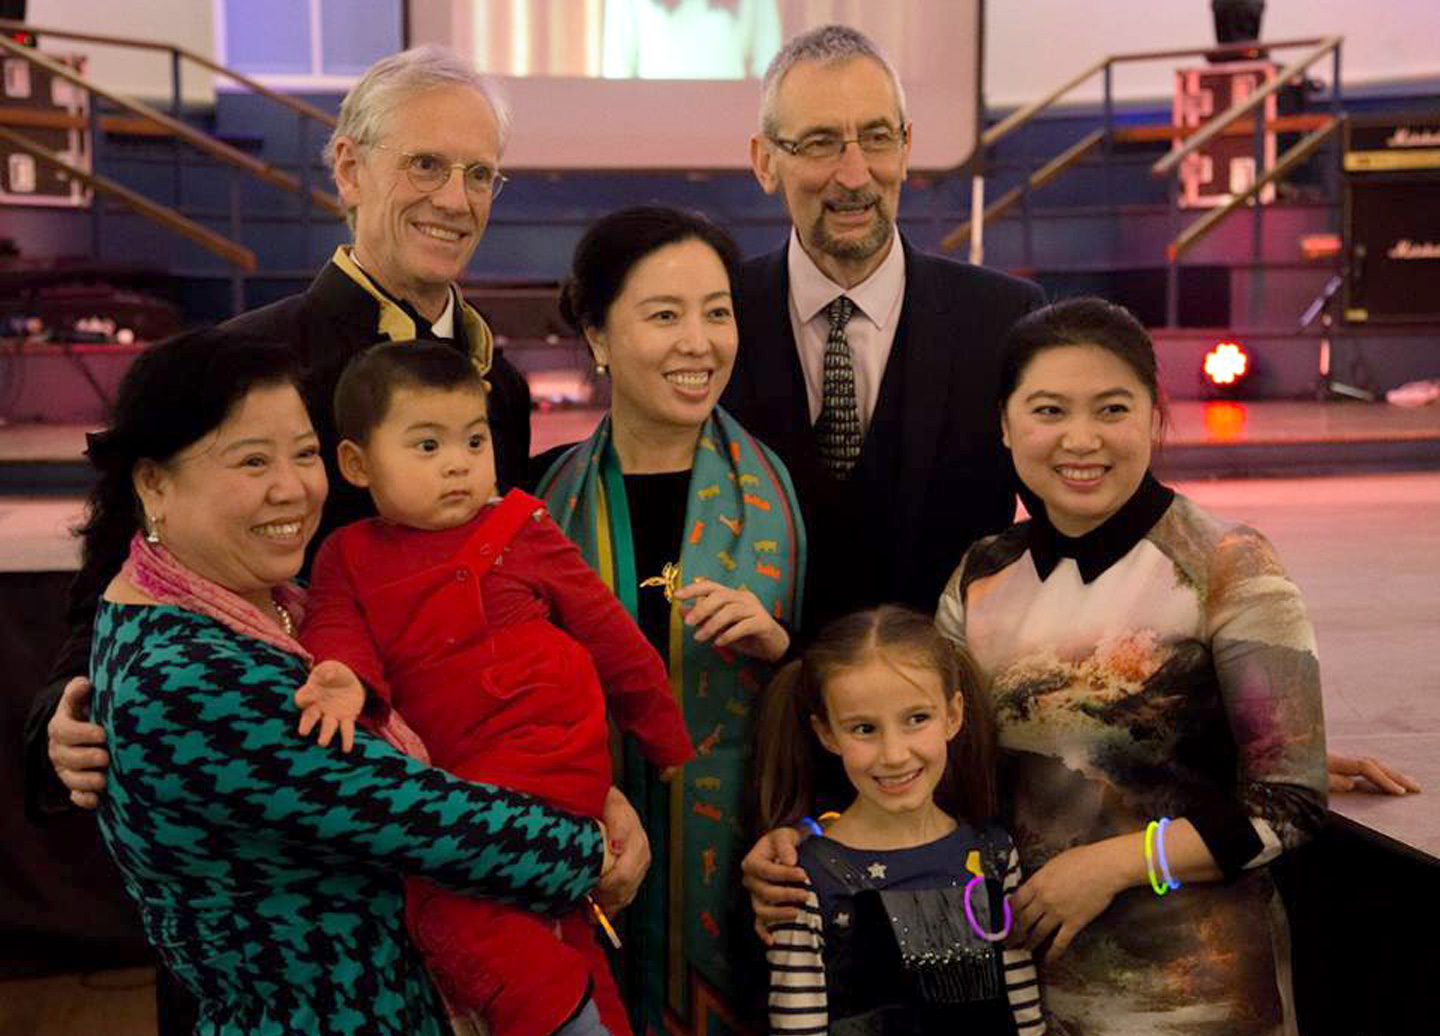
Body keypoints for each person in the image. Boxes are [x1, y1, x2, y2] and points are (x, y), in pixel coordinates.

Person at [747, 297, 1332, 1034]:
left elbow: (1291, 805)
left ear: (1155, 416)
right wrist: (815, 839)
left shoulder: (1227, 565)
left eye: (1112, 409)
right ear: (1005, 424)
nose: (1079, 440)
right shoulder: (983, 575)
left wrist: (1118, 863)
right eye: (1049, 410)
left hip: (1191, 996)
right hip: (1010, 986)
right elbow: (931, 756)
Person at [82, 328, 611, 1036]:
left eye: (304, 454)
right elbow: (431, 823)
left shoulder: (264, 603)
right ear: (154, 482)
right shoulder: (183, 679)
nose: (291, 487)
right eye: (251, 461)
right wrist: (592, 846)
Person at [294, 339, 695, 1036]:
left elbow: (612, 636)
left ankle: (555, 1019)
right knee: (554, 919)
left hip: (542, 752)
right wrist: (339, 674)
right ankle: (590, 1011)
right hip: (462, 770)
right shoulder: (346, 554)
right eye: (426, 446)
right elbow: (333, 621)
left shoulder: (520, 527)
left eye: (473, 441)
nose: (458, 463)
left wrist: (662, 736)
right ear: (357, 464)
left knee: (446, 904)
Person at [534, 205, 806, 1036]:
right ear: (600, 338)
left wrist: (780, 647)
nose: (700, 341)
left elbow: (841, 685)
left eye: (717, 312)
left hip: (748, 876)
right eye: (664, 314)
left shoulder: (781, 495)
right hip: (579, 855)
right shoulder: (541, 499)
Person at [720, 23, 1045, 633]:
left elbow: (1072, 530)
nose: (854, 173)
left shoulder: (1005, 321)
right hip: (757, 714)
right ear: (765, 162)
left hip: (942, 713)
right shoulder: (713, 318)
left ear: (906, 145)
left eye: (875, 137)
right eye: (820, 143)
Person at [757, 605, 1044, 1036]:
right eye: (864, 729)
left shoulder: (995, 854)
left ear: (953, 715)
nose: (894, 754)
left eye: (916, 719)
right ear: (827, 734)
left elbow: (1024, 1008)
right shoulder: (803, 876)